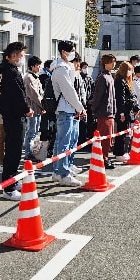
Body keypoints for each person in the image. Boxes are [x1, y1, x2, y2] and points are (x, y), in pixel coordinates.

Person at [0, 42, 34, 201]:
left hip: (9, 115)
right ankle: (9, 187)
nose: (23, 58)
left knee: (14, 150)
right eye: (21, 55)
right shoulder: (11, 72)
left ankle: (12, 179)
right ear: (13, 56)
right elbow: (18, 95)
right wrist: (27, 109)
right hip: (14, 116)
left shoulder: (5, 70)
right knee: (14, 150)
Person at [51, 42, 86, 186]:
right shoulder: (61, 69)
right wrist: (80, 108)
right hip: (65, 109)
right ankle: (62, 173)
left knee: (62, 143)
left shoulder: (65, 68)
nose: (73, 54)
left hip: (67, 109)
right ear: (64, 52)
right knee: (64, 144)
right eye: (71, 51)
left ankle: (58, 171)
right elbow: (69, 92)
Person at [90, 53, 117, 168]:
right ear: (106, 63)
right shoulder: (103, 78)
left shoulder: (109, 76)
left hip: (108, 112)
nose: (114, 64)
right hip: (104, 112)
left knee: (107, 138)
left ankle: (103, 158)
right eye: (112, 62)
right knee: (105, 138)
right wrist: (94, 110)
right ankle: (103, 159)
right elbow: (97, 96)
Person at [114, 61, 139, 162]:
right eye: (129, 70)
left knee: (125, 132)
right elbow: (120, 98)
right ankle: (119, 153)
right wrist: (122, 113)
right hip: (123, 111)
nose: (130, 72)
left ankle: (123, 152)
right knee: (121, 133)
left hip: (128, 110)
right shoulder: (119, 81)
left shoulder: (125, 80)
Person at [23, 56, 44, 161]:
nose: (40, 67)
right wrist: (43, 105)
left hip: (37, 109)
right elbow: (34, 95)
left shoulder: (35, 76)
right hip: (32, 109)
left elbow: (40, 93)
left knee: (35, 132)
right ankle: (28, 154)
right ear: (32, 66)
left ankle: (33, 153)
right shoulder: (28, 77)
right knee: (31, 132)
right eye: (38, 65)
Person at [38, 60, 57, 157]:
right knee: (49, 130)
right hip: (50, 109)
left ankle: (46, 150)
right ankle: (46, 150)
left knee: (48, 130)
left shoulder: (49, 78)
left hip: (48, 108)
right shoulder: (47, 78)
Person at [78, 61, 96, 147]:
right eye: (84, 67)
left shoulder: (89, 78)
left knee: (90, 122)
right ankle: (81, 139)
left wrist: (91, 99)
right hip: (82, 104)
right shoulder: (78, 77)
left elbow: (94, 90)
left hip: (89, 104)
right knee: (81, 123)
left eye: (87, 67)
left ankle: (89, 138)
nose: (86, 69)